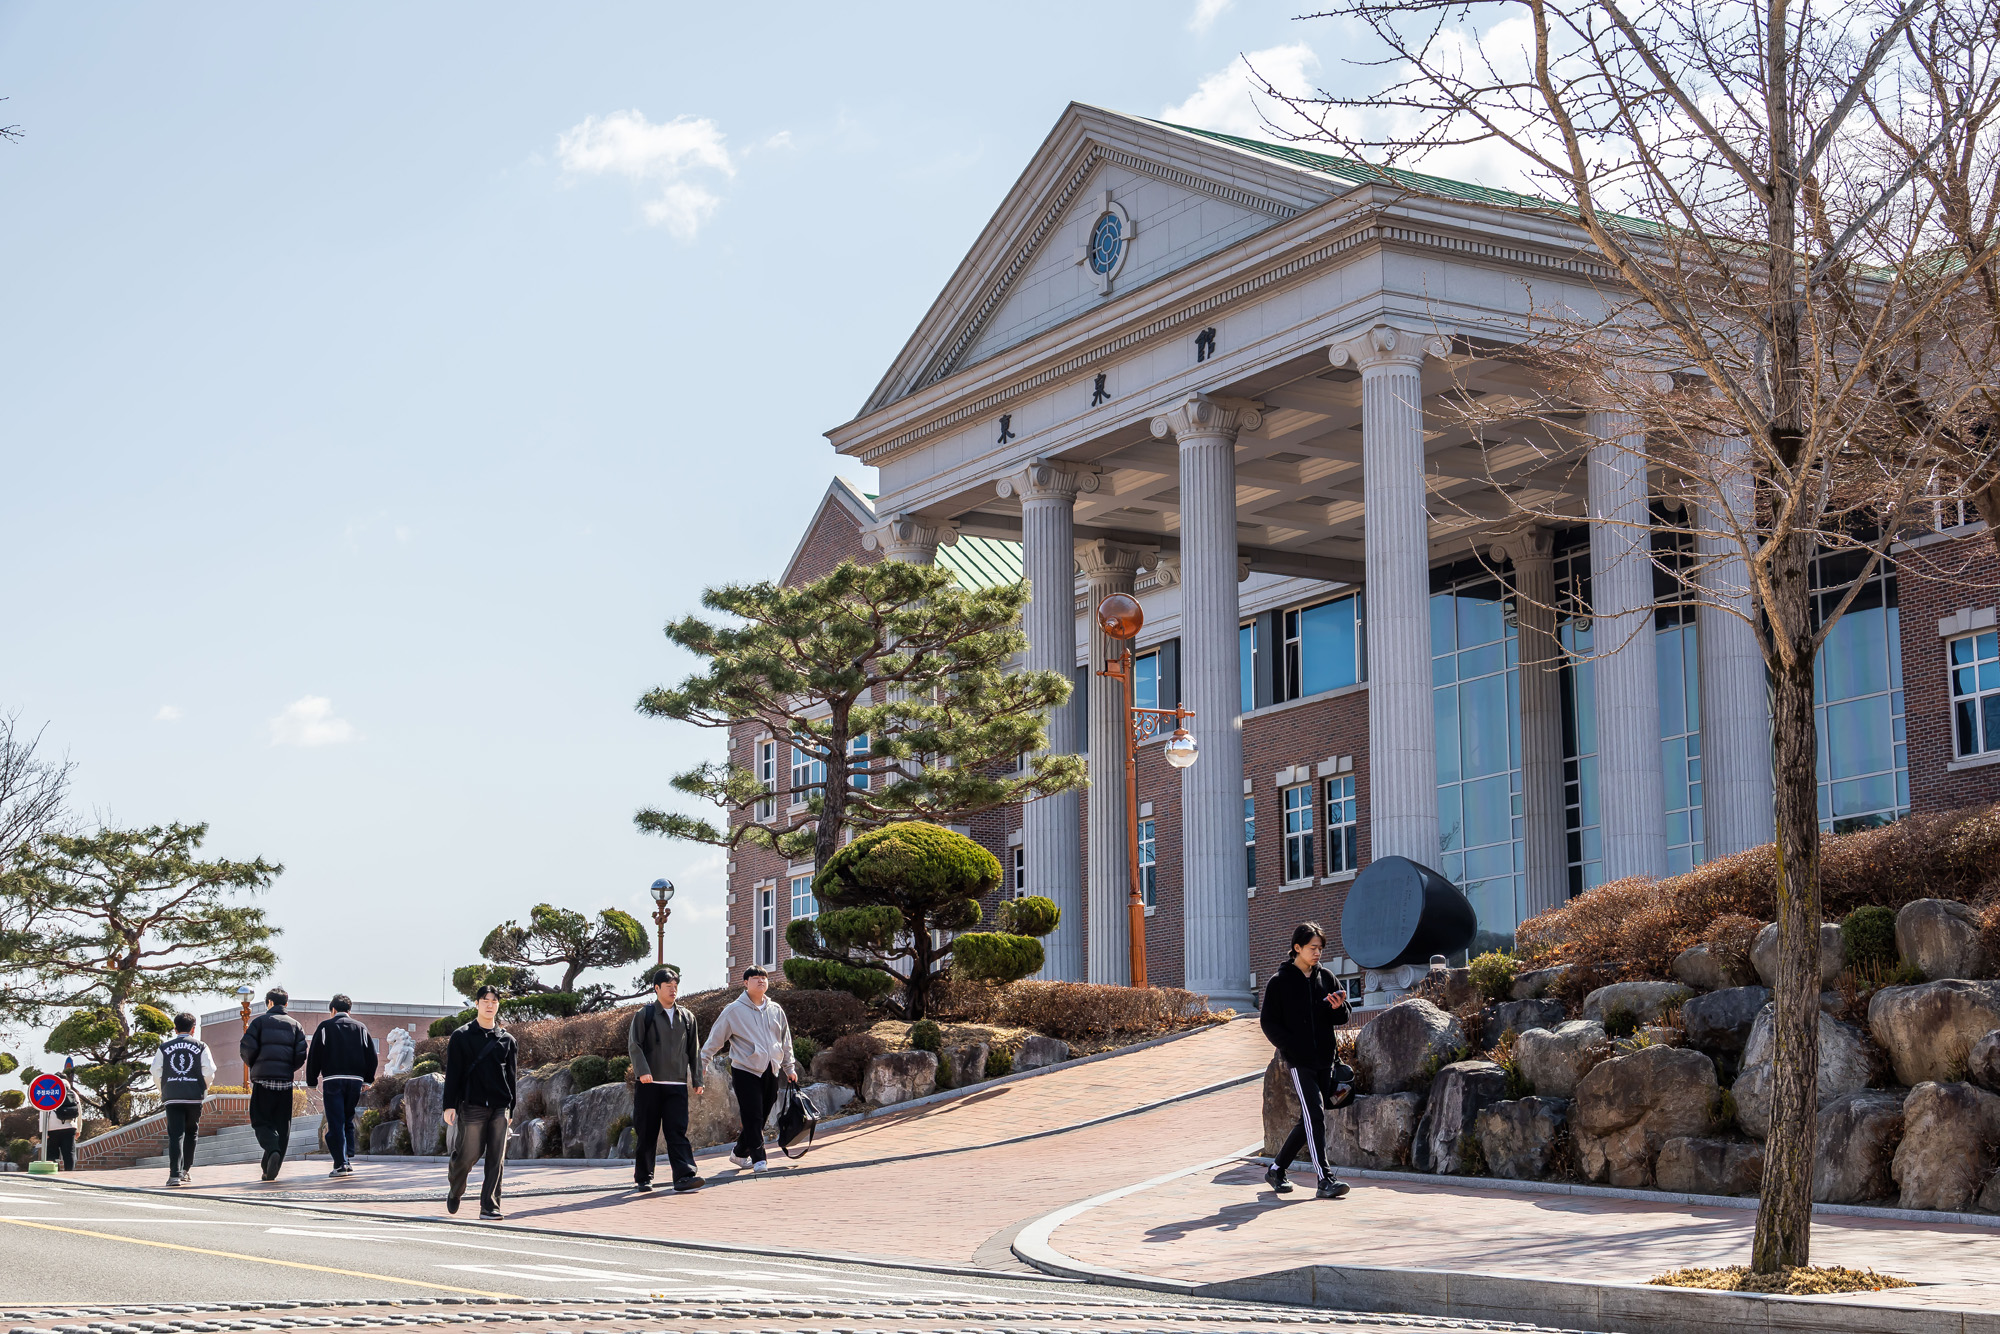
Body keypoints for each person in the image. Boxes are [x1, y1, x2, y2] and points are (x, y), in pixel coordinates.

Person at [1259, 922, 1355, 1201]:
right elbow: (1269, 1023)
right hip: (1300, 1062)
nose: (1317, 953)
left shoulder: (1326, 977)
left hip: (1326, 1059)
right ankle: (1325, 1178)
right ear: (1297, 948)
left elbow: (1343, 1015)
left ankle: (1276, 1169)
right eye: (1313, 948)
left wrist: (1337, 1008)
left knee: (1310, 1119)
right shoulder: (1280, 982)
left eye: (1320, 949)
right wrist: (1290, 1047)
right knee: (1315, 1116)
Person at [698, 965, 799, 1172]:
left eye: (764, 977)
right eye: (755, 978)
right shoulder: (733, 1010)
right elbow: (715, 1039)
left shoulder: (775, 1009)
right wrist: (703, 1063)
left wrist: (789, 1067)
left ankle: (739, 1152)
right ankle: (759, 1159)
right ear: (745, 983)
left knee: (760, 1115)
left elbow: (785, 1040)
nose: (761, 981)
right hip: (745, 1070)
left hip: (771, 1069)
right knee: (752, 1115)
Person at [627, 965, 706, 1194]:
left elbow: (694, 1050)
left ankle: (684, 1176)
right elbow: (635, 1045)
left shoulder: (687, 1017)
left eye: (675, 986)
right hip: (650, 1085)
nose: (673, 990)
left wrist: (697, 1079)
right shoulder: (645, 1014)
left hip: (677, 1085)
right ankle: (644, 1177)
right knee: (647, 1132)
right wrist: (642, 1071)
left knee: (677, 1132)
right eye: (668, 986)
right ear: (657, 988)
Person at [442, 983, 517, 1219]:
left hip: (500, 1107)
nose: (490, 1005)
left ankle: (490, 1206)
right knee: (468, 1154)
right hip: (471, 1105)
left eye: (494, 1001)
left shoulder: (508, 1040)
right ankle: (456, 1188)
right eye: (485, 1000)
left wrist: (511, 1108)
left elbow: (512, 1077)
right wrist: (449, 1105)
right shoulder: (461, 1036)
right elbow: (453, 1073)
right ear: (476, 1003)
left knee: (497, 1157)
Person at [239, 987, 310, 1181]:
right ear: (285, 1004)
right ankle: (271, 1168)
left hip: (263, 1081)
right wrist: (287, 1069)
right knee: (282, 1126)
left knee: (260, 1120)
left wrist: (256, 1066)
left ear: (269, 1002)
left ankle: (271, 1150)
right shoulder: (296, 1025)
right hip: (285, 1083)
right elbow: (301, 1055)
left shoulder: (259, 1022)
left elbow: (246, 1049)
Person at [305, 994, 379, 1179]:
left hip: (333, 1080)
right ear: (349, 1010)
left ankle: (340, 1163)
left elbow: (314, 1054)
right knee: (347, 1118)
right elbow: (372, 1056)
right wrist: (368, 1080)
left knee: (335, 1121)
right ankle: (347, 1157)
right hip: (355, 1081)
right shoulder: (361, 1028)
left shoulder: (325, 1027)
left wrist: (312, 1081)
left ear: (333, 1010)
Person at [149, 1012, 215, 1187]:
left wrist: (164, 1088)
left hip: (172, 1096)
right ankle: (186, 1169)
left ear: (175, 1028)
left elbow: (155, 1071)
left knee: (175, 1134)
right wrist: (203, 1087)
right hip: (194, 1096)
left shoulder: (164, 1047)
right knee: (191, 1132)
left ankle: (174, 1175)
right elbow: (209, 1071)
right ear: (193, 1029)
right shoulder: (201, 1046)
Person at [38, 1060, 82, 1171]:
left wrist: (43, 1131)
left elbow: (43, 1111)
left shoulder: (50, 1091)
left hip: (52, 1128)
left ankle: (53, 1172)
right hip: (69, 1126)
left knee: (52, 1153)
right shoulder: (73, 1093)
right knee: (69, 1152)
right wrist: (78, 1129)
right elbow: (79, 1111)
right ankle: (69, 1173)